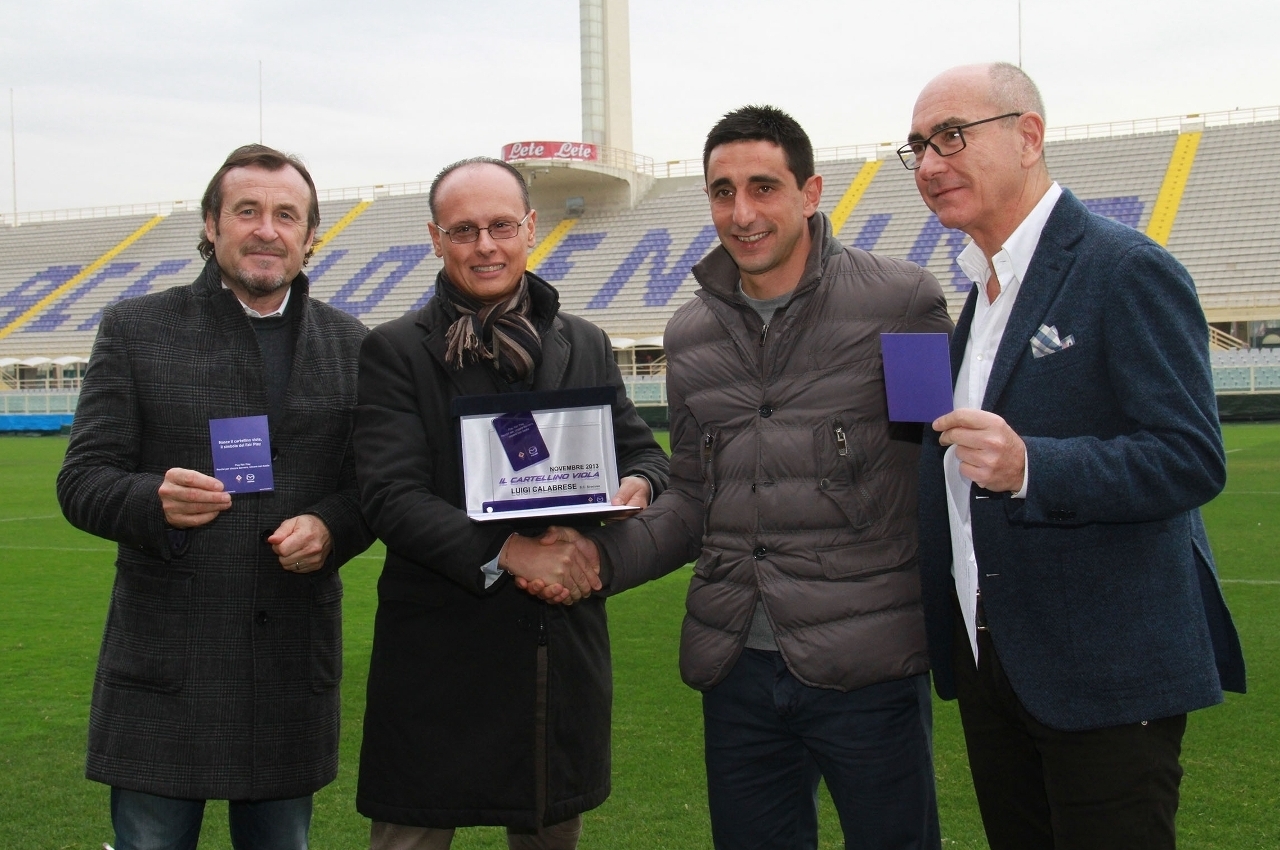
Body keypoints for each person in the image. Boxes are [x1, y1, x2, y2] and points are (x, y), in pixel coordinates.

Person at [532, 105, 953, 849]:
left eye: (763, 187)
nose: (743, 212)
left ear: (811, 192)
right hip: (737, 670)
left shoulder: (903, 302)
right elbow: (695, 494)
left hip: (869, 667)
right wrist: (598, 556)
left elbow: (938, 463)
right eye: (722, 191)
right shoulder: (690, 333)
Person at [903, 63, 1247, 849]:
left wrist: (1034, 467)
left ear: (1029, 136)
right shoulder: (979, 290)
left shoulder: (1125, 268)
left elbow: (1191, 457)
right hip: (998, 665)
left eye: (951, 136)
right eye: (918, 146)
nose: (928, 164)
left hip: (1107, 676)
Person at [56, 144, 374, 850]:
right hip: (166, 667)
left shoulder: (353, 345)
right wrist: (152, 500)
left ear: (311, 234)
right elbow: (82, 481)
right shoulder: (137, 330)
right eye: (247, 211)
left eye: (286, 214)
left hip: (289, 664)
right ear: (211, 225)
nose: (267, 229)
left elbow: (370, 490)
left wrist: (330, 526)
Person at [352, 156, 669, 850]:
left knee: (550, 832)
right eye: (464, 231)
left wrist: (639, 485)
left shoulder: (582, 342)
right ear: (436, 239)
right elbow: (390, 498)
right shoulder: (396, 351)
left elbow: (644, 452)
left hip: (554, 654)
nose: (485, 245)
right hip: (439, 657)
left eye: (500, 226)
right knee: (410, 836)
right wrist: (510, 551)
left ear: (530, 228)